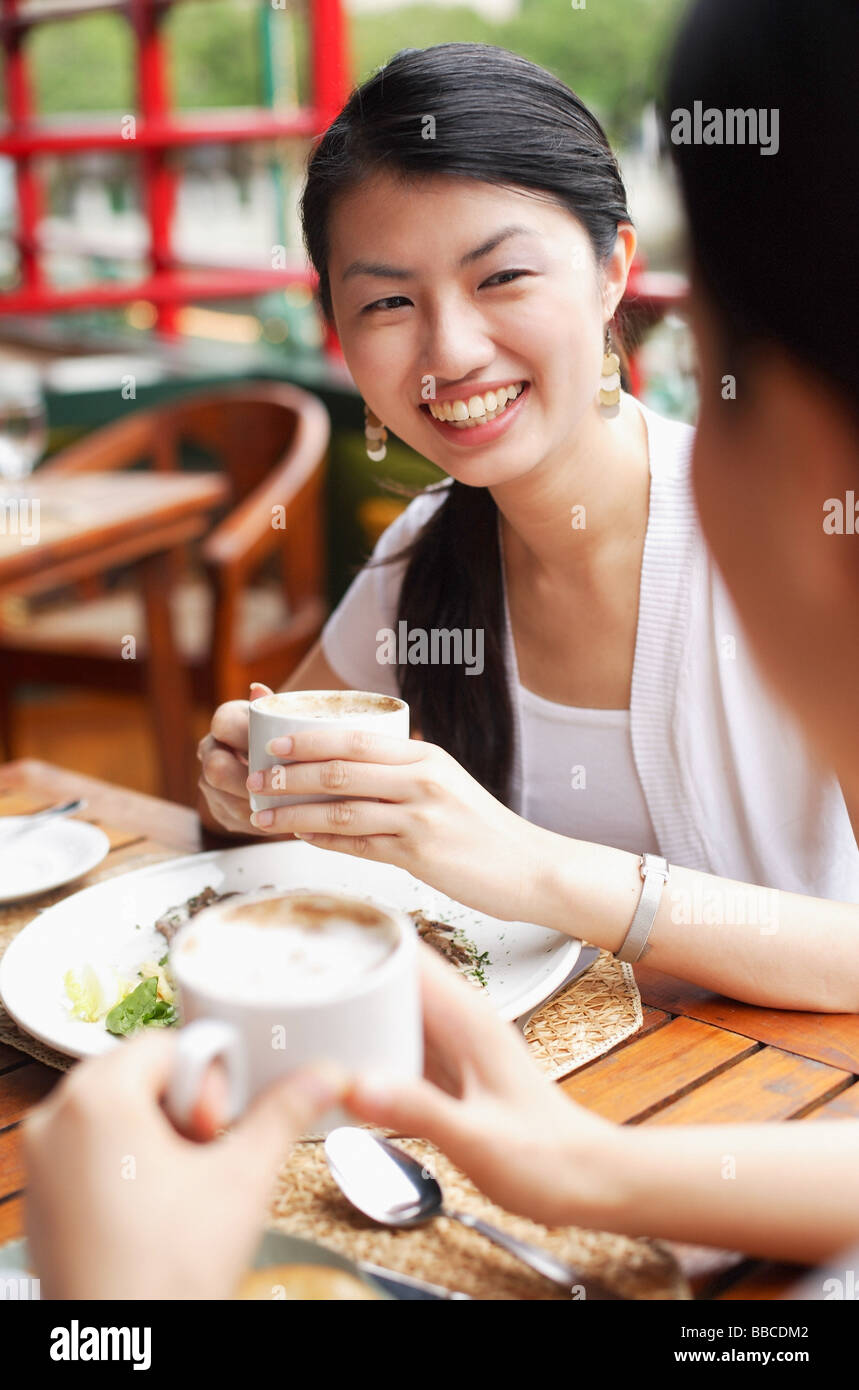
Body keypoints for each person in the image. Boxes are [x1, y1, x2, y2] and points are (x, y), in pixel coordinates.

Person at [198, 41, 859, 1015]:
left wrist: (536, 870)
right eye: (387, 301)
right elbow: (269, 801)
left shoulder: (797, 531)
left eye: (501, 276)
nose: (452, 350)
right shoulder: (420, 559)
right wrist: (243, 787)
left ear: (612, 270)